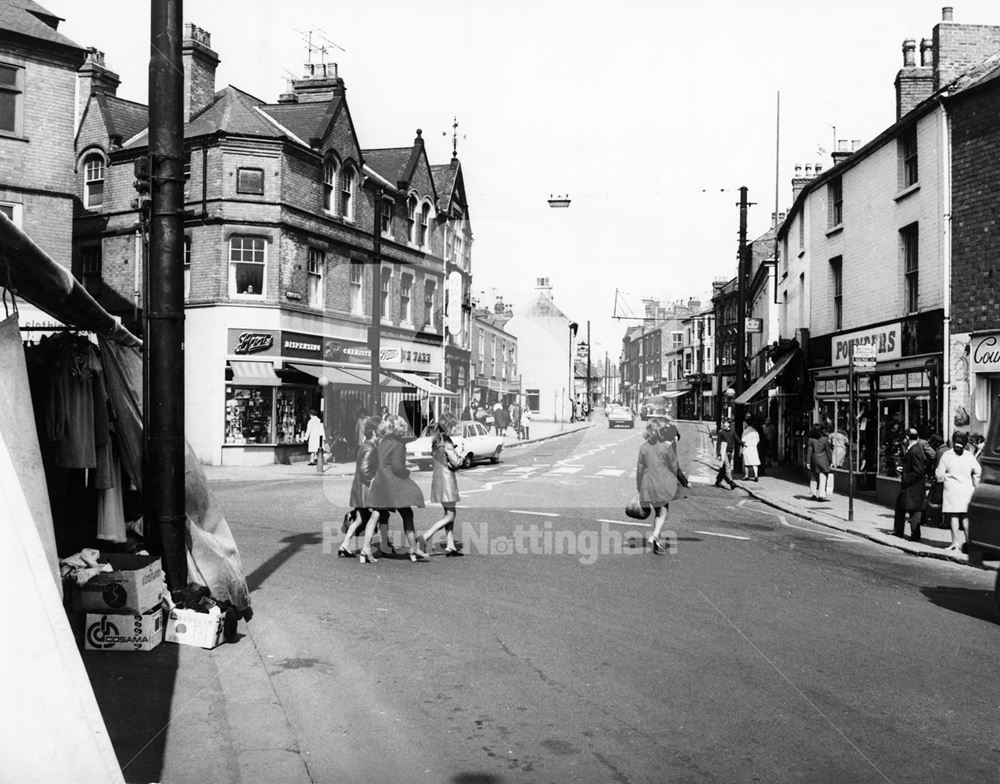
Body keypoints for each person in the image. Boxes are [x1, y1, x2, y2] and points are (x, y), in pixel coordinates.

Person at [367, 415, 428, 562]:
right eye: (403, 428)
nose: (404, 430)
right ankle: (413, 548)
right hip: (392, 483)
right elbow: (398, 468)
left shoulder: (383, 442)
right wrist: (407, 472)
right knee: (407, 514)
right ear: (399, 429)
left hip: (380, 481)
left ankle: (367, 548)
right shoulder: (398, 444)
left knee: (377, 514)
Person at [416, 412, 464, 557]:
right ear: (448, 426)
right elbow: (456, 462)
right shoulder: (447, 442)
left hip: (438, 478)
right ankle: (425, 537)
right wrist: (460, 453)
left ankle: (450, 546)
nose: (454, 428)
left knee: (449, 513)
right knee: (449, 515)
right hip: (447, 480)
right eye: (453, 426)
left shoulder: (436, 441)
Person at [636, 419, 685, 553]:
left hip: (647, 485)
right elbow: (675, 467)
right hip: (662, 485)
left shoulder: (643, 447)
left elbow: (640, 470)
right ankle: (655, 535)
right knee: (663, 513)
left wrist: (639, 487)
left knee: (657, 513)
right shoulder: (666, 447)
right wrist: (685, 482)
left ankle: (657, 543)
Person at [340, 416, 383, 561]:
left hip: (359, 488)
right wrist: (374, 484)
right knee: (374, 516)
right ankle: (366, 549)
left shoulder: (367, 445)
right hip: (365, 489)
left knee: (360, 519)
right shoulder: (370, 447)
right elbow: (365, 471)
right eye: (380, 432)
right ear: (375, 432)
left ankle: (345, 545)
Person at [936, 431, 982, 553]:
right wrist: (975, 484)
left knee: (954, 517)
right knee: (966, 518)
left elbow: (939, 476)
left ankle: (955, 543)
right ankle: (969, 544)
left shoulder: (947, 455)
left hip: (952, 491)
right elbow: (978, 471)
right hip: (967, 490)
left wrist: (944, 477)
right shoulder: (969, 456)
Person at [894, 427, 929, 541]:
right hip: (911, 486)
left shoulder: (915, 450)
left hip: (913, 487)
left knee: (914, 510)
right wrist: (904, 469)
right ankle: (899, 531)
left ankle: (914, 535)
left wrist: (906, 477)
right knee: (901, 506)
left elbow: (918, 470)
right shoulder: (913, 448)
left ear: (907, 437)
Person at [806, 424, 833, 500]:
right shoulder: (824, 439)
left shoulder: (810, 439)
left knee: (813, 476)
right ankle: (821, 495)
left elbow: (809, 451)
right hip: (823, 459)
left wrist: (808, 462)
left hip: (813, 459)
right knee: (823, 476)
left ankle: (813, 493)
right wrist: (831, 461)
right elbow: (828, 451)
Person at [714, 419, 739, 490]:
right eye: (724, 423)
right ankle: (731, 482)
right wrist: (718, 453)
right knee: (727, 466)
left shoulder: (732, 431)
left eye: (727, 423)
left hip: (730, 451)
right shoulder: (721, 432)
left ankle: (718, 481)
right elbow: (718, 443)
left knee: (724, 468)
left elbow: (736, 439)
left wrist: (742, 443)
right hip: (723, 451)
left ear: (729, 424)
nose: (725, 424)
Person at [741, 418, 761, 482]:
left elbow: (743, 440)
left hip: (747, 447)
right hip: (754, 448)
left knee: (746, 463)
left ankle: (746, 476)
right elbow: (758, 439)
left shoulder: (745, 431)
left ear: (746, 424)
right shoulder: (755, 431)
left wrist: (741, 449)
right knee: (755, 462)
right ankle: (756, 476)